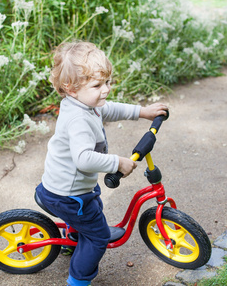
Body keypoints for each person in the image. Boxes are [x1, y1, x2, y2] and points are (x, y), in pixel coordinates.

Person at [35, 41, 168, 286]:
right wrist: (117, 162)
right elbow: (83, 159)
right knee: (98, 237)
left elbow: (110, 109)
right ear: (71, 88)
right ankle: (77, 281)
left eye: (107, 82)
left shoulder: (86, 103)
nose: (105, 90)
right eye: (97, 85)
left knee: (93, 198)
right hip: (67, 195)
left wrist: (143, 112)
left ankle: (74, 236)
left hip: (68, 187)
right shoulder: (78, 119)